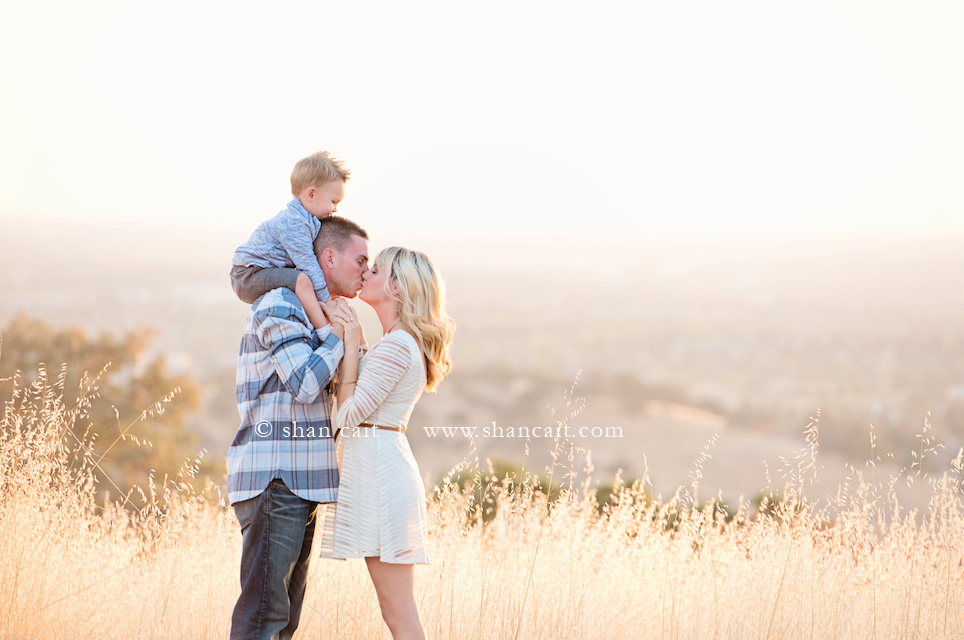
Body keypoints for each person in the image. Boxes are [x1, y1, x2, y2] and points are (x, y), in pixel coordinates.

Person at [226, 216, 370, 640]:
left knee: (284, 625)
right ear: (328, 256)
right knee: (262, 622)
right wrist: (337, 338)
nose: (366, 270)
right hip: (277, 480)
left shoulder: (318, 315)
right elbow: (306, 384)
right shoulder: (280, 304)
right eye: (360, 260)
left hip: (303, 485)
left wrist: (347, 336)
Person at [317, 246, 455, 640]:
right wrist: (357, 342)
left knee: (398, 612)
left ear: (395, 287)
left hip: (382, 478)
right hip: (376, 471)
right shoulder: (394, 341)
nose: (365, 274)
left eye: (375, 270)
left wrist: (348, 343)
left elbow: (348, 415)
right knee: (393, 609)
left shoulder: (397, 345)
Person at [230, 150, 350, 323]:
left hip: (258, 272)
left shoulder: (307, 220)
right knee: (302, 279)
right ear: (311, 194)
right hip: (248, 275)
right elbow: (308, 264)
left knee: (302, 280)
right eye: (333, 201)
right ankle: (325, 327)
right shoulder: (295, 223)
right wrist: (327, 301)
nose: (335, 209)